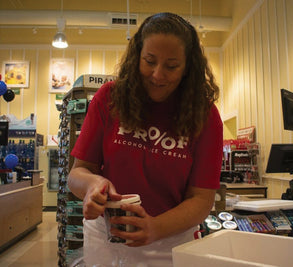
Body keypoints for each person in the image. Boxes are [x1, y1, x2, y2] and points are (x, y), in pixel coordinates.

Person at [68, 12, 223, 266]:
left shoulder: (204, 115)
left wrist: (155, 227)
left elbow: (202, 200)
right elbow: (77, 174)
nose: (158, 75)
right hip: (105, 236)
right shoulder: (109, 97)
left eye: (171, 66)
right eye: (149, 61)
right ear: (137, 55)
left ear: (187, 69)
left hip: (170, 241)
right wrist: (92, 186)